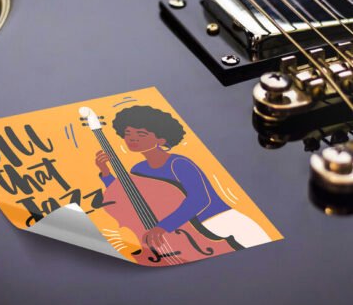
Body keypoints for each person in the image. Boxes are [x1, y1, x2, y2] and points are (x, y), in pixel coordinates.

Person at [96, 105, 271, 249]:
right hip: (186, 229)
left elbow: (200, 199)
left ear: (161, 140)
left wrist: (163, 227)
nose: (132, 139)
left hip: (220, 220)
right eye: (128, 133)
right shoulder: (138, 168)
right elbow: (129, 194)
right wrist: (106, 173)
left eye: (141, 134)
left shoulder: (178, 164)